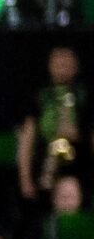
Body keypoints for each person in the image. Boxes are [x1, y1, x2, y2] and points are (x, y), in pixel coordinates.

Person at [18, 45, 82, 205]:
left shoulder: (83, 95)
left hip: (79, 166)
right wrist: (25, 178)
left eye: (66, 61)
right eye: (57, 61)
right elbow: (27, 138)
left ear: (76, 65)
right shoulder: (40, 95)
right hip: (45, 166)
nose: (62, 66)